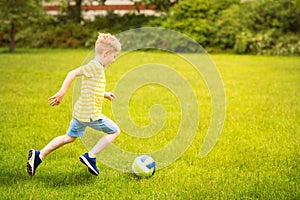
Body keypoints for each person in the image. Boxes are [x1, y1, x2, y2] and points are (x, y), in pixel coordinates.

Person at [26, 33, 121, 176]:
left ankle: (39, 156)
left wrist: (104, 94)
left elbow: (92, 88)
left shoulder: (97, 68)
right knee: (114, 131)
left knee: (69, 138)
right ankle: (91, 156)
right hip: (90, 114)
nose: (114, 60)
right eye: (114, 56)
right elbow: (72, 73)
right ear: (106, 53)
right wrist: (62, 91)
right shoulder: (95, 66)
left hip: (80, 112)